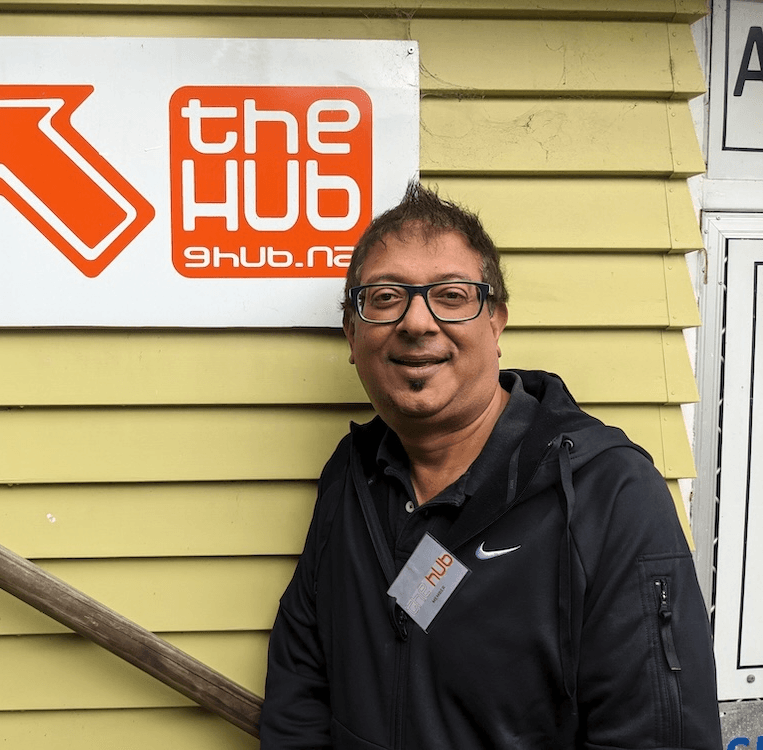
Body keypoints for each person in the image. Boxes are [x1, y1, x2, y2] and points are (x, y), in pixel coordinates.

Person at [259, 181, 722, 749]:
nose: (416, 322)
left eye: (451, 296)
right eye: (383, 297)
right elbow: (299, 685)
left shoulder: (609, 495)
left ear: (496, 321)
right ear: (352, 335)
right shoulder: (352, 476)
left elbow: (655, 737)